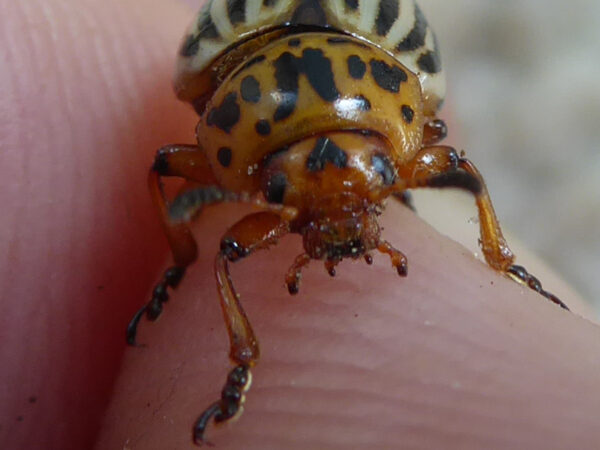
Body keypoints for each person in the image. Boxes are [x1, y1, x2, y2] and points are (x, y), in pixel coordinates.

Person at [2, 1, 599, 449]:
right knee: (221, 245)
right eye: (284, 191)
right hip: (277, 52)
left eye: (377, 173)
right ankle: (238, 347)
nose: (337, 215)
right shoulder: (406, 123)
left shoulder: (404, 107)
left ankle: (501, 259)